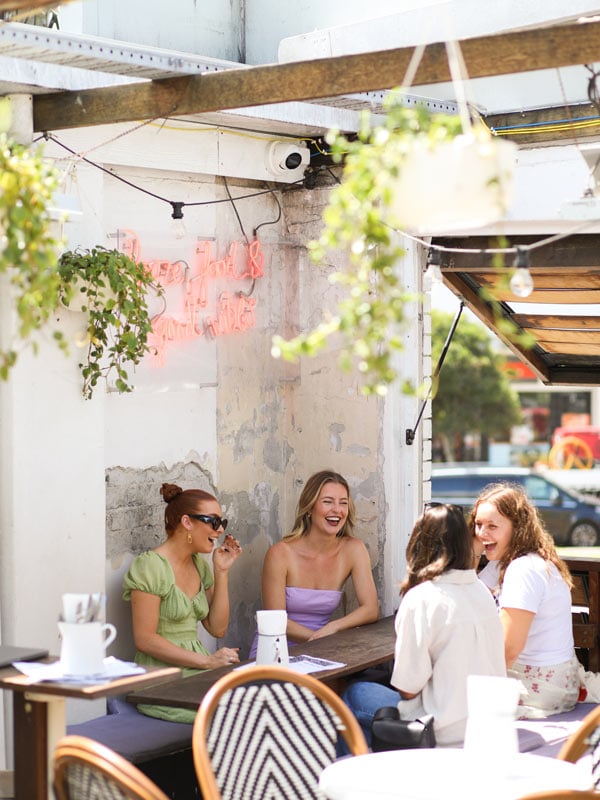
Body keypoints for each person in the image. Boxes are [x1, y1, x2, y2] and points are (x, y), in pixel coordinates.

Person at [342, 503, 506, 747]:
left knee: (355, 693)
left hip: (440, 731)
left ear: (419, 543)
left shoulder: (422, 598)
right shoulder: (482, 591)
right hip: (486, 725)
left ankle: (359, 774)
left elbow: (408, 688)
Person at [123, 482, 242, 722]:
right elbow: (145, 640)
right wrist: (207, 661)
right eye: (214, 522)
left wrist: (221, 572)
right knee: (229, 716)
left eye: (222, 523)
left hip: (198, 671)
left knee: (255, 701)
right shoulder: (151, 566)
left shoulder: (199, 564)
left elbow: (217, 627)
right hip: (160, 677)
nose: (219, 531)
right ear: (187, 522)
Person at [473, 482, 580, 718]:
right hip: (548, 680)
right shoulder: (504, 561)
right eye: (478, 525)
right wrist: (473, 550)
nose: (482, 533)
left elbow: (508, 649)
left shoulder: (524, 569)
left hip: (541, 689)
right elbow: (470, 598)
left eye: (492, 526)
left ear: (517, 528)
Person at [249, 469, 379, 657]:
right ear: (309, 508)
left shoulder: (353, 550)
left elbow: (371, 609)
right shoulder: (280, 553)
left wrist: (334, 628)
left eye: (343, 503)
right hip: (276, 650)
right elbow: (276, 620)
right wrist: (320, 640)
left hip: (320, 650)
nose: (337, 510)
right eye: (327, 502)